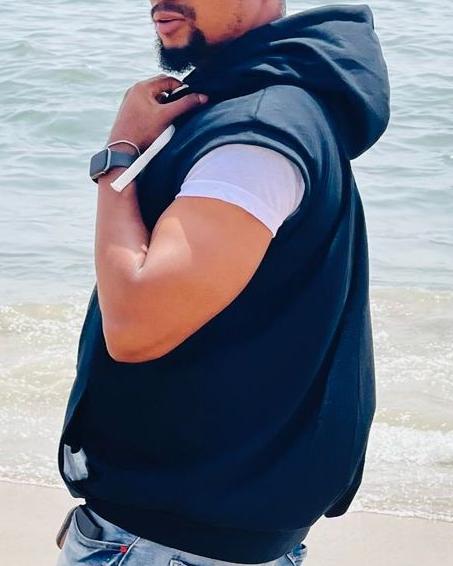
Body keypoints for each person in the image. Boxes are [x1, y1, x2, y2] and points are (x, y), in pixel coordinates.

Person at [56, 1, 390, 565]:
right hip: (207, 530)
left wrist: (118, 157)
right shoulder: (272, 106)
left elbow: (138, 325)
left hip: (168, 546)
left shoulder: (256, 130)